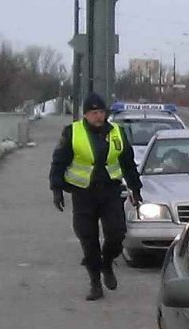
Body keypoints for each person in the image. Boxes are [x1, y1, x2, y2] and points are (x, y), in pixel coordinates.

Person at [49, 93, 143, 301]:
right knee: (88, 238)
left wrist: (136, 189)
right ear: (85, 115)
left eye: (101, 112)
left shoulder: (117, 132)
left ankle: (107, 263)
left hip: (110, 191)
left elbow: (128, 163)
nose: (99, 117)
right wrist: (57, 189)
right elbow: (59, 162)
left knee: (116, 234)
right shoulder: (73, 132)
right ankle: (95, 284)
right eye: (94, 113)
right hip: (84, 193)